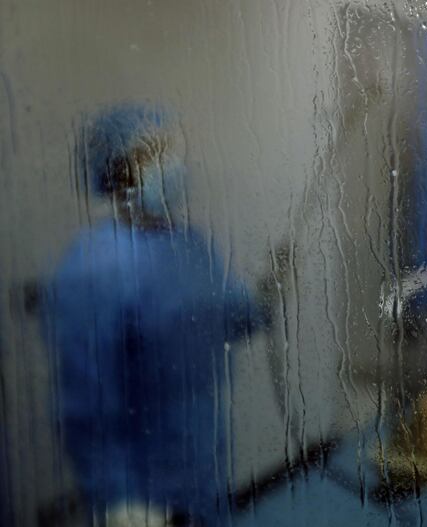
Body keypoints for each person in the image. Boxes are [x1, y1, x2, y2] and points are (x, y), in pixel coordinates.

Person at [42, 103, 265, 526]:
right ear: (118, 173)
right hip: (141, 489)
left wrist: (265, 299)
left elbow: (227, 318)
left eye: (170, 150)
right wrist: (118, 500)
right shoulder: (93, 266)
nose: (173, 165)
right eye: (153, 153)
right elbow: (86, 406)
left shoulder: (193, 245)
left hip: (205, 470)